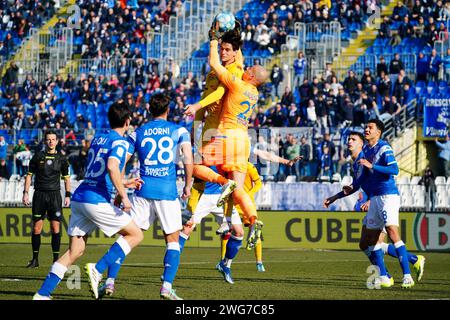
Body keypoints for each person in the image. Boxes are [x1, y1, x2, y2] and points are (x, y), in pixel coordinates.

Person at [32, 101, 144, 300]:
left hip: (80, 197)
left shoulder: (99, 138)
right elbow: (111, 167)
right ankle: (98, 269)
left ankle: (43, 293)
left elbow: (102, 170)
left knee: (75, 250)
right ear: (127, 122)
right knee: (136, 234)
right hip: (95, 200)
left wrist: (124, 183)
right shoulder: (120, 142)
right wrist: (125, 198)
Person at [185, 22, 269, 246]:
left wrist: (213, 38)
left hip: (226, 135)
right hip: (244, 140)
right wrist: (237, 36)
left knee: (194, 166)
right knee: (239, 189)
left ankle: (217, 187)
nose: (246, 68)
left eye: (249, 70)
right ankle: (253, 220)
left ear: (250, 76)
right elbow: (238, 60)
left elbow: (216, 63)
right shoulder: (253, 92)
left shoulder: (237, 81)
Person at [323, 130, 425, 288]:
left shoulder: (367, 156)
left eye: (353, 139)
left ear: (361, 143)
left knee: (378, 239)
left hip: (382, 199)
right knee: (365, 243)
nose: (349, 141)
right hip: (376, 200)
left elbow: (376, 180)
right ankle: (411, 260)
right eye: (348, 139)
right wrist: (335, 197)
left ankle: (388, 275)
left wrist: (371, 200)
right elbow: (357, 184)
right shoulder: (357, 162)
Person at [124, 93, 193, 300]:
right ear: (168, 109)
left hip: (143, 189)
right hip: (166, 190)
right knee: (173, 239)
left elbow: (122, 160)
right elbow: (188, 159)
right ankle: (166, 286)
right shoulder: (179, 130)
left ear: (148, 109)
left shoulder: (138, 132)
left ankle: (107, 279)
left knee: (128, 236)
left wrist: (120, 187)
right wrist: (188, 185)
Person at [23, 130, 71, 268]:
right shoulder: (37, 157)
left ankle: (56, 260)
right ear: (45, 141)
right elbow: (28, 176)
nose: (51, 142)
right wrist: (25, 192)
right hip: (39, 195)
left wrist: (68, 195)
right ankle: (35, 260)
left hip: (55, 196)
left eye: (53, 139)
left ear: (57, 141)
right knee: (37, 228)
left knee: (55, 228)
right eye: (48, 139)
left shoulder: (62, 159)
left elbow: (66, 178)